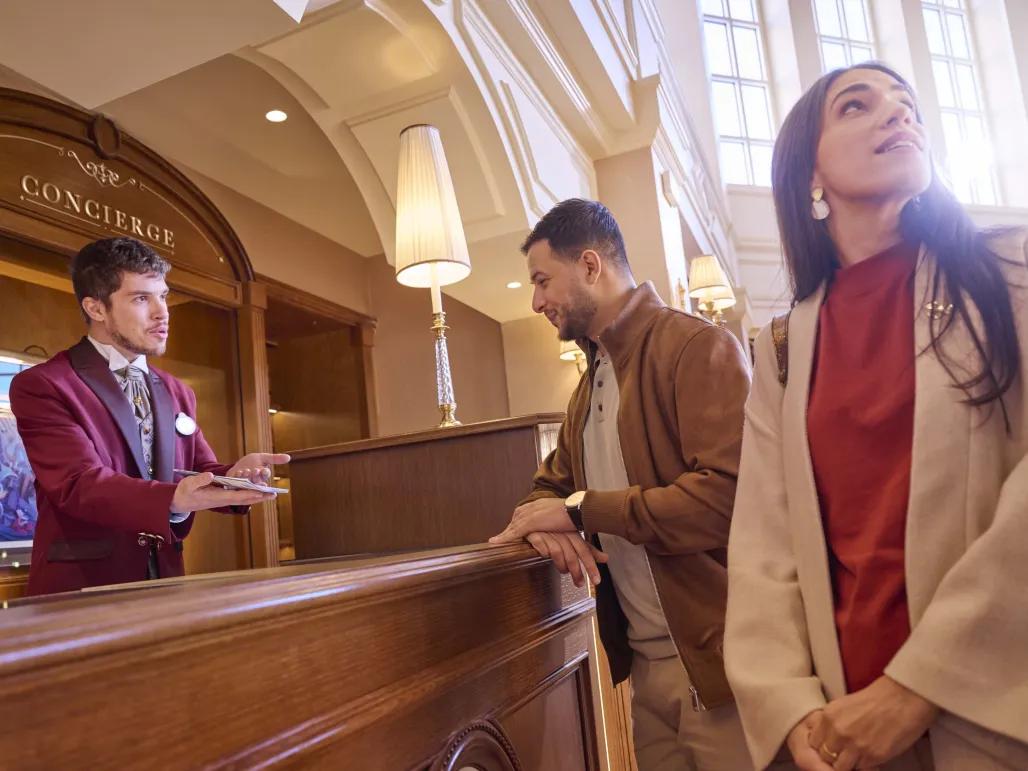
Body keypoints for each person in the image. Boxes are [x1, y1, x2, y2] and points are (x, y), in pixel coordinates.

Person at [725, 63, 1028, 771]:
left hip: (992, 708)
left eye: (907, 104)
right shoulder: (783, 347)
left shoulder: (1007, 271)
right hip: (846, 733)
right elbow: (764, 549)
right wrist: (790, 706)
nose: (898, 115)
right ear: (810, 176)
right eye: (857, 105)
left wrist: (918, 683)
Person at [490, 199, 754, 770]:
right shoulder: (588, 386)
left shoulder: (696, 346)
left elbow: (726, 500)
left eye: (542, 280)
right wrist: (551, 521)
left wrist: (582, 513)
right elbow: (545, 490)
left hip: (725, 665)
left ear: (589, 266)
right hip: (644, 668)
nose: (535, 301)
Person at [10, 237, 288, 595]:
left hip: (166, 580)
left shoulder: (177, 391)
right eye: (142, 298)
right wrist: (174, 498)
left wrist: (235, 478)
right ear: (96, 308)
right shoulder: (44, 384)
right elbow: (78, 485)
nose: (162, 312)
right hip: (82, 589)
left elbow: (197, 470)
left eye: (163, 296)